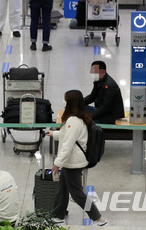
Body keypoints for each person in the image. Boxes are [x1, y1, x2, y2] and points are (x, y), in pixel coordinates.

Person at [47, 90, 108, 226]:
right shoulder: (77, 117)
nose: (63, 102)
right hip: (71, 160)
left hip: (73, 162)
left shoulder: (73, 121)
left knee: (77, 194)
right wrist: (53, 134)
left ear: (70, 102)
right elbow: (66, 135)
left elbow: (68, 144)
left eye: (65, 99)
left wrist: (57, 163)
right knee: (62, 190)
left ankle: (98, 218)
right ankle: (58, 215)